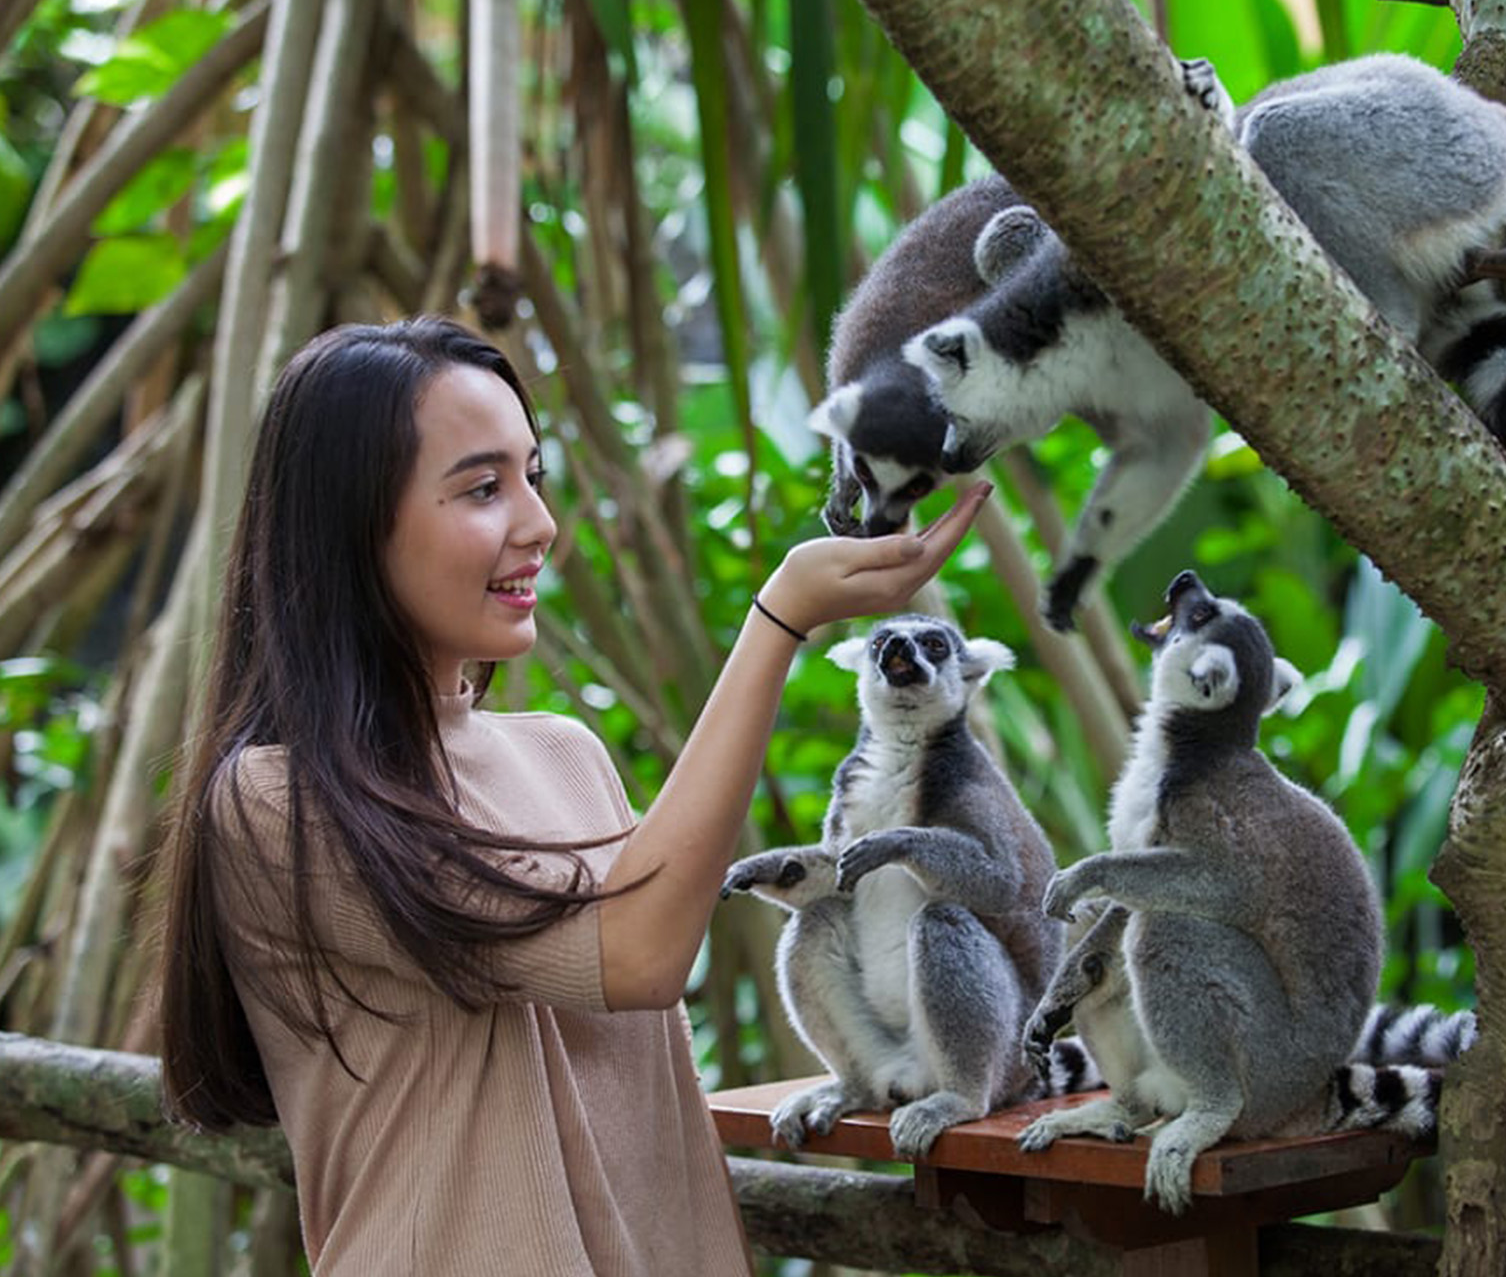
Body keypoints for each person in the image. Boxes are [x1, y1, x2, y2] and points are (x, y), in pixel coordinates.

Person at [156, 315, 992, 1275]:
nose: (539, 523)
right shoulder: (279, 800)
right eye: (481, 487)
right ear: (353, 523)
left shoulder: (566, 756)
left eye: (532, 476)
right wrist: (779, 618)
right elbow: (637, 954)